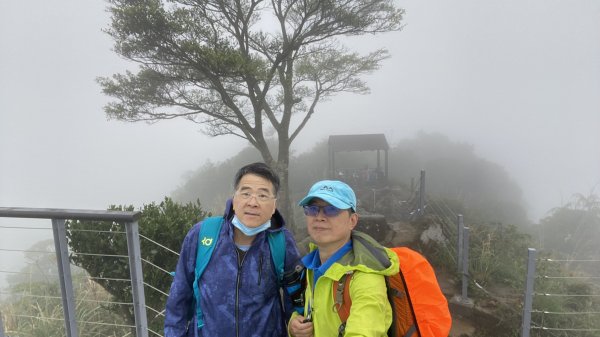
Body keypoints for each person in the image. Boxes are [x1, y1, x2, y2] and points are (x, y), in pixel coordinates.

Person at [165, 162, 301, 337]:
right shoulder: (202, 234)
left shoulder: (282, 241)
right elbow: (179, 294)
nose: (253, 202)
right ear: (234, 199)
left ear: (274, 205)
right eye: (246, 193)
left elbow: (296, 297)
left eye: (262, 195)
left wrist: (295, 323)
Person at [288, 180, 399, 337]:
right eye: (312, 209)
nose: (319, 217)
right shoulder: (311, 264)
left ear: (352, 221)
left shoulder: (365, 278)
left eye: (331, 209)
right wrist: (294, 326)